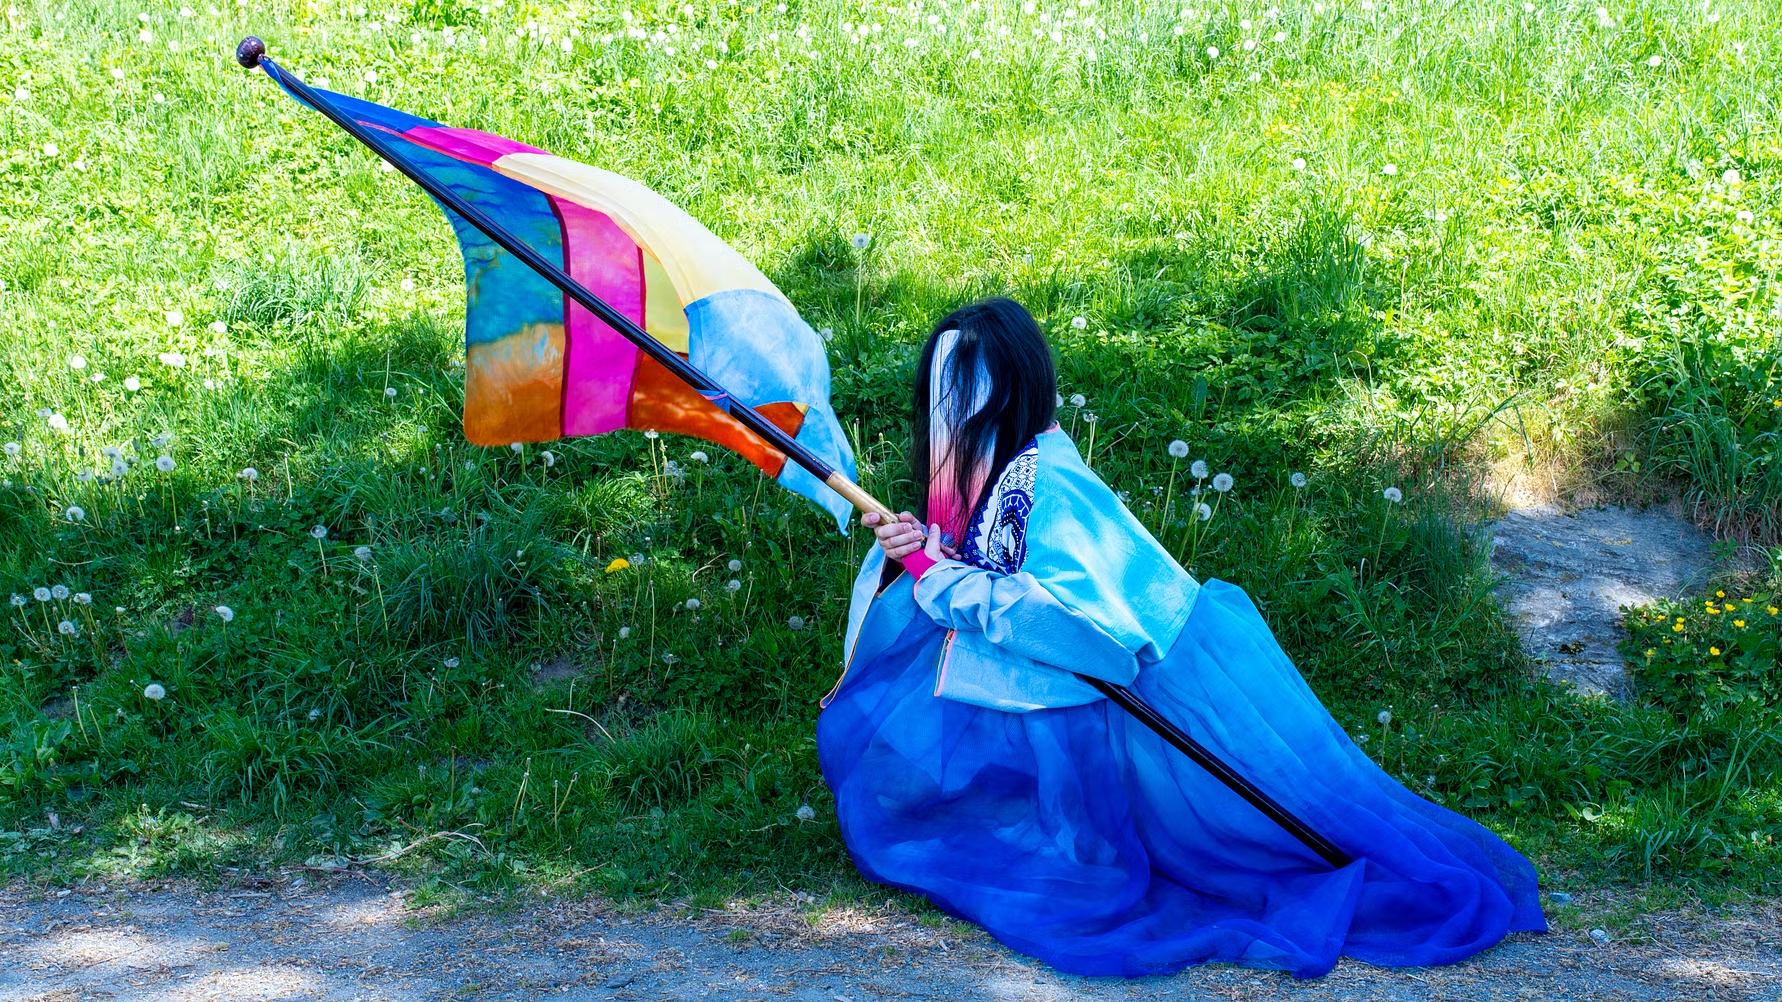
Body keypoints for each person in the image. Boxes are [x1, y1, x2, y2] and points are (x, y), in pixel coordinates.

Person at [815, 297, 1545, 979]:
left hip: (1117, 713)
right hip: (1061, 708)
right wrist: (918, 553)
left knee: (1210, 852)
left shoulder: (1050, 484)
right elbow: (989, 570)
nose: (949, 418)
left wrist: (945, 580)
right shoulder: (1008, 471)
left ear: (1003, 395)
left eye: (964, 397)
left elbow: (1086, 638)